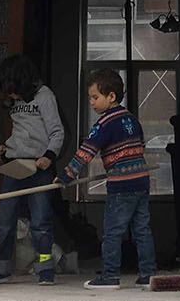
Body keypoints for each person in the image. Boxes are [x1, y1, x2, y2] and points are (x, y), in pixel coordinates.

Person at [58, 65, 157, 288]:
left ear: (111, 96)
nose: (91, 103)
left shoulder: (104, 123)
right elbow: (139, 146)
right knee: (141, 229)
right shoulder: (131, 119)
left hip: (121, 185)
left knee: (113, 231)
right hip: (141, 181)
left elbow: (86, 152)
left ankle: (110, 275)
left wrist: (66, 176)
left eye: (95, 97)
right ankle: (148, 274)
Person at [0, 54, 65, 285]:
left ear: (22, 82)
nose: (9, 96)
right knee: (4, 220)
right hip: (15, 166)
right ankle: (0, 268)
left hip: (39, 168)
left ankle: (45, 268)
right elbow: (21, 133)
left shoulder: (44, 96)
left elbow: (57, 132)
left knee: (40, 221)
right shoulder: (14, 102)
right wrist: (7, 150)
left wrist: (49, 156)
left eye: (12, 90)